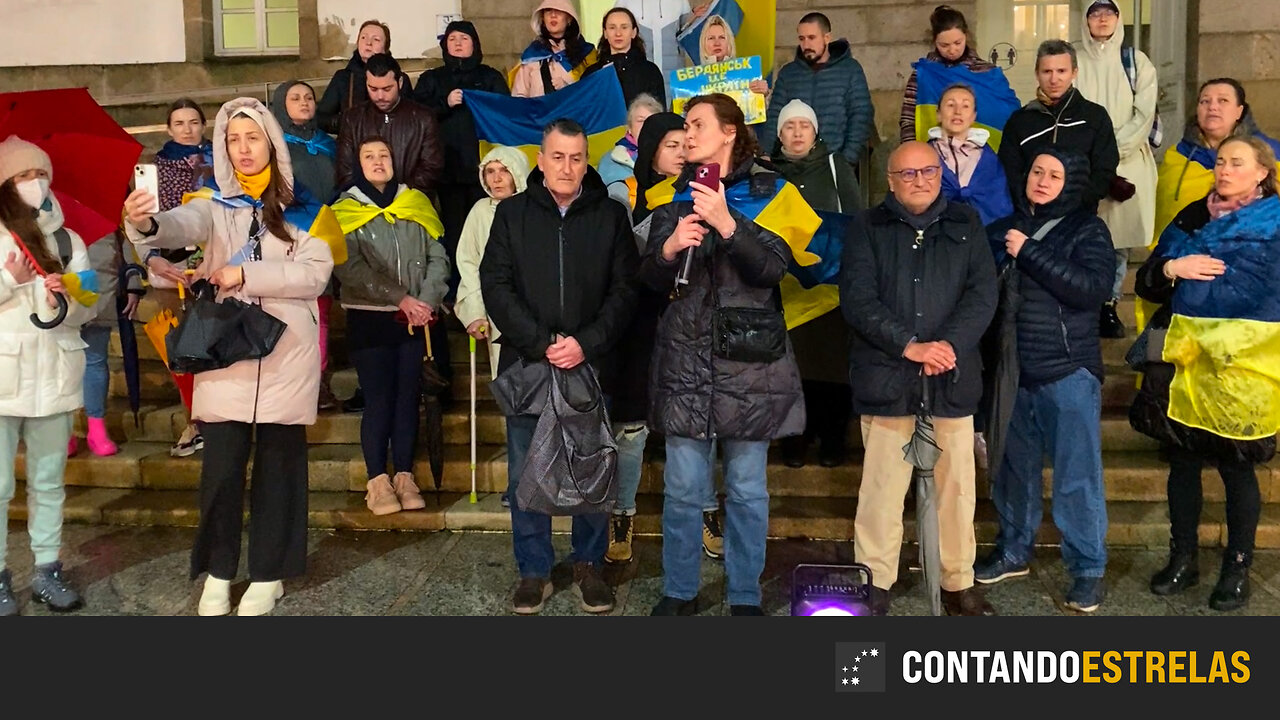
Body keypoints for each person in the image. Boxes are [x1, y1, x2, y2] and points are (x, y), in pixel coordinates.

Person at [123, 98, 334, 617]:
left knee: (280, 470)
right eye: (233, 139)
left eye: (252, 137)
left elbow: (314, 275)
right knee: (220, 471)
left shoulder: (311, 207)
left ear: (272, 144)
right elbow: (176, 227)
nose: (243, 148)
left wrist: (246, 275)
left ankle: (269, 573)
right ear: (222, 147)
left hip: (287, 352)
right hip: (227, 353)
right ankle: (219, 570)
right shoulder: (210, 203)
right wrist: (145, 225)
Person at [640, 94, 804, 616]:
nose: (687, 135)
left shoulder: (772, 192)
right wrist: (667, 252)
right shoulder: (671, 200)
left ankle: (744, 594)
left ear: (729, 132)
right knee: (685, 488)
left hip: (750, 363)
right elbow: (646, 279)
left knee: (747, 490)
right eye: (685, 127)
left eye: (697, 125)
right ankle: (680, 590)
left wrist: (729, 224)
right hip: (687, 362)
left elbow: (776, 270)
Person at [479, 119, 638, 615]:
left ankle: (589, 564)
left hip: (590, 366)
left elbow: (625, 290)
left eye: (576, 157)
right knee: (526, 470)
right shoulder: (512, 215)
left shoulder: (610, 216)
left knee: (591, 466)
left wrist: (585, 343)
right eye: (557, 156)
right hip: (530, 364)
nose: (567, 167)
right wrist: (544, 342)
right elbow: (495, 285)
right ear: (542, 160)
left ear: (586, 160)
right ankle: (533, 569)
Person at [840, 141, 997, 616]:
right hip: (889, 377)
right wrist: (909, 344)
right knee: (881, 491)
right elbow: (858, 299)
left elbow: (982, 293)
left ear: (939, 174)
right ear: (890, 180)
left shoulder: (965, 224)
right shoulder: (868, 228)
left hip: (950, 376)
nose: (919, 180)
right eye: (907, 174)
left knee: (956, 489)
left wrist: (948, 345)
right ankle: (877, 579)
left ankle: (957, 581)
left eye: (928, 171)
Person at [1131, 136, 1280, 612]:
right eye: (1220, 161)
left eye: (1237, 162)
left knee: (1237, 469)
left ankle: (1236, 568)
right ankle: (1183, 558)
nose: (1224, 169)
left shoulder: (1275, 223)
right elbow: (1147, 282)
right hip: (1187, 360)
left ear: (1262, 172)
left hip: (1244, 363)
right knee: (1183, 462)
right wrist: (1174, 266)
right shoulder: (1193, 215)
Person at [976, 148, 1114, 613]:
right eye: (1038, 171)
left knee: (1077, 477)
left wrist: (1030, 252)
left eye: (1054, 174)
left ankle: (1088, 569)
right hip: (1014, 371)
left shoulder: (1087, 229)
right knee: (1014, 473)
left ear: (1069, 182)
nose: (1043, 180)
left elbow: (1091, 290)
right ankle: (1014, 549)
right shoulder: (1002, 230)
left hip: (1067, 370)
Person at [0, 136, 95, 615]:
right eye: (21, 177)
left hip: (54, 375)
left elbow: (89, 303)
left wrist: (67, 300)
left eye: (39, 175)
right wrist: (9, 282)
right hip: (4, 378)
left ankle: (46, 570)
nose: (33, 185)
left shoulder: (67, 240)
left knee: (48, 481)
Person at [332, 138, 450, 517]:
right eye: (369, 156)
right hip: (371, 318)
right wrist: (400, 297)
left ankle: (404, 475)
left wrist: (426, 300)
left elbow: (438, 256)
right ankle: (376, 480)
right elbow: (349, 266)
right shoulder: (344, 210)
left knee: (406, 399)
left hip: (415, 319)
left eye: (384, 155)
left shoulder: (416, 202)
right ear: (358, 163)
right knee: (379, 398)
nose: (378, 161)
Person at [605, 110, 686, 565]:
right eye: (671, 145)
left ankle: (706, 510)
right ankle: (622, 512)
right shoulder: (626, 197)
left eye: (685, 144)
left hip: (686, 323)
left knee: (690, 426)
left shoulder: (704, 194)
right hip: (638, 321)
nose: (680, 153)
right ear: (652, 150)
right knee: (631, 428)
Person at [770, 99, 860, 469]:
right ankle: (795, 438)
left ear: (815, 130)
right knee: (793, 366)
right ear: (779, 134)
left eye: (803, 126)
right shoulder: (768, 171)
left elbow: (857, 216)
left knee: (832, 364)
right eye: (789, 127)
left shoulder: (837, 167)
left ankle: (832, 437)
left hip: (831, 283)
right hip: (785, 283)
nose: (796, 133)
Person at [1075, 0, 1158, 340]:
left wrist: (1112, 151)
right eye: (1095, 13)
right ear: (1086, 19)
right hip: (1084, 163)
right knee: (1083, 236)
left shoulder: (1135, 62)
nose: (1102, 18)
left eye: (1109, 12)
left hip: (1126, 162)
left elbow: (1144, 112)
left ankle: (1108, 303)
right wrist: (1090, 153)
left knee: (1118, 242)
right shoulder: (1073, 59)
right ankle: (1085, 303)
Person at [413, 20, 509, 296]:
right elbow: (417, 114)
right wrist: (445, 103)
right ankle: (458, 292)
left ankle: (492, 289)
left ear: (475, 44)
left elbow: (505, 111)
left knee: (489, 232)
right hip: (448, 172)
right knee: (454, 234)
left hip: (487, 172)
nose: (457, 43)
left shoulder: (490, 76)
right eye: (452, 38)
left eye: (463, 38)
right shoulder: (432, 79)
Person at [148, 98, 212, 457]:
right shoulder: (156, 168)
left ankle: (216, 419)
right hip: (168, 269)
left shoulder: (220, 161)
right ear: (169, 128)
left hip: (210, 267)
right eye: (179, 123)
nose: (187, 129)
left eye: (193, 122)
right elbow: (144, 223)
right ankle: (193, 420)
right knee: (178, 347)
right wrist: (151, 259)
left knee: (212, 344)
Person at [271, 79, 339, 411]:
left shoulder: (328, 143)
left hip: (325, 231)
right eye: (295, 98)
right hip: (290, 233)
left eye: (309, 97)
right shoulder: (273, 146)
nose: (303, 102)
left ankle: (320, 378)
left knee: (321, 309)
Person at [1153, 78, 1280, 246]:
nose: (1212, 107)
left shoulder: (1271, 155)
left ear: (1239, 111)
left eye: (1223, 100)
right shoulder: (1177, 155)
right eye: (1205, 101)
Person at [998, 40, 1119, 210]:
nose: (1054, 79)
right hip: (1029, 218)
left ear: (1074, 72)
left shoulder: (1095, 117)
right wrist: (1027, 206)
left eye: (1061, 71)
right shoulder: (1019, 121)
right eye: (1047, 71)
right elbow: (1008, 172)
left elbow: (1104, 170)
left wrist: (1079, 202)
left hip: (1080, 218)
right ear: (1037, 74)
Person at [455, 146, 530, 379]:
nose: (496, 179)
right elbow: (469, 262)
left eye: (504, 171)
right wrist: (475, 312)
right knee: (508, 380)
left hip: (534, 308)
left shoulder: (536, 209)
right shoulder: (480, 212)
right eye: (490, 171)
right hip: (498, 307)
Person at [762, 13, 874, 166]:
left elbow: (860, 116)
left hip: (834, 161)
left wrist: (846, 161)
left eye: (811, 37)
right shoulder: (788, 73)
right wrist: (767, 154)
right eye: (802, 39)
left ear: (827, 38)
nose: (806, 45)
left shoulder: (850, 70)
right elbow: (775, 116)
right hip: (792, 164)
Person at [899, 4, 1015, 146]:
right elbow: (908, 121)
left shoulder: (989, 73)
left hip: (983, 158)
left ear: (966, 36)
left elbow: (1012, 117)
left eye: (957, 43)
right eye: (944, 45)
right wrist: (910, 152)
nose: (952, 50)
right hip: (933, 159)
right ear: (934, 41)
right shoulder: (923, 75)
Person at [73, 230, 142, 458]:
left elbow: (124, 249)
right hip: (59, 298)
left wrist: (132, 285)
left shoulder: (104, 214)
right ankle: (63, 430)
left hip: (100, 293)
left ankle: (96, 428)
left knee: (95, 362)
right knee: (60, 367)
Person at [335, 53, 442, 196]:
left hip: (411, 203)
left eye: (387, 89)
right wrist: (373, 196)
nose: (380, 96)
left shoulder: (423, 118)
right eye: (373, 89)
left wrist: (401, 194)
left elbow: (432, 167)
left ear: (400, 83)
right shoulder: (352, 118)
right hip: (364, 205)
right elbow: (345, 169)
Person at [929, 83, 1013, 225]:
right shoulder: (925, 155)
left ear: (973, 116)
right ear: (938, 114)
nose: (957, 111)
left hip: (983, 238)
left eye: (965, 106)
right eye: (950, 105)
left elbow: (999, 203)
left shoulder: (989, 158)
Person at [316, 19, 411, 135]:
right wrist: (348, 123)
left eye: (376, 39)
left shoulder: (399, 79)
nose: (368, 43)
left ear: (386, 48)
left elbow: (409, 117)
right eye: (363, 38)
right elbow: (321, 118)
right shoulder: (343, 78)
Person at [511, 0, 596, 98]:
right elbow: (519, 97)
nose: (553, 15)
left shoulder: (586, 54)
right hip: (539, 113)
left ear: (569, 18)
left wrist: (568, 86)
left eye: (559, 10)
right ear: (543, 18)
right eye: (548, 10)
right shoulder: (531, 55)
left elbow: (594, 95)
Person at [584, 6, 667, 107]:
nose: (618, 33)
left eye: (624, 27)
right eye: (612, 27)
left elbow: (659, 115)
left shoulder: (650, 71)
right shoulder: (592, 73)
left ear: (633, 32)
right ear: (605, 33)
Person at [599, 93, 664, 205]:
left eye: (652, 120)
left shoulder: (671, 156)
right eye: (640, 120)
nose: (646, 125)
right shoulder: (609, 161)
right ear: (629, 127)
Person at [692, 15, 769, 95]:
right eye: (711, 38)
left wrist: (764, 94)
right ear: (703, 44)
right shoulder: (692, 80)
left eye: (722, 37)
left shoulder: (746, 75)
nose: (717, 43)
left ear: (729, 43)